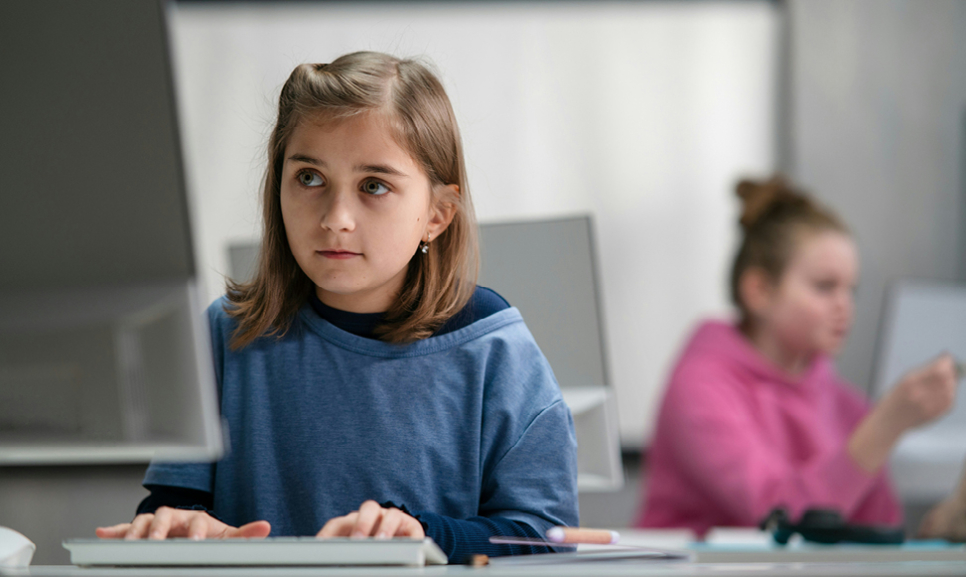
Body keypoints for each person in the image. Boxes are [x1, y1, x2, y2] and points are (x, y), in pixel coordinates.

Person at [95, 52, 578, 563]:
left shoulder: (496, 349)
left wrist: (425, 536)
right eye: (309, 178)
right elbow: (170, 508)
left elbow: (546, 537)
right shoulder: (222, 334)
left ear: (437, 215)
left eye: (374, 186)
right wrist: (178, 525)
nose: (335, 218)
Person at [635, 175, 957, 536]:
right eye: (825, 287)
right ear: (759, 291)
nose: (845, 306)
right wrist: (885, 426)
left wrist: (943, 525)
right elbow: (778, 516)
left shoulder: (844, 403)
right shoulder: (700, 388)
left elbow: (879, 532)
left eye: (851, 290)